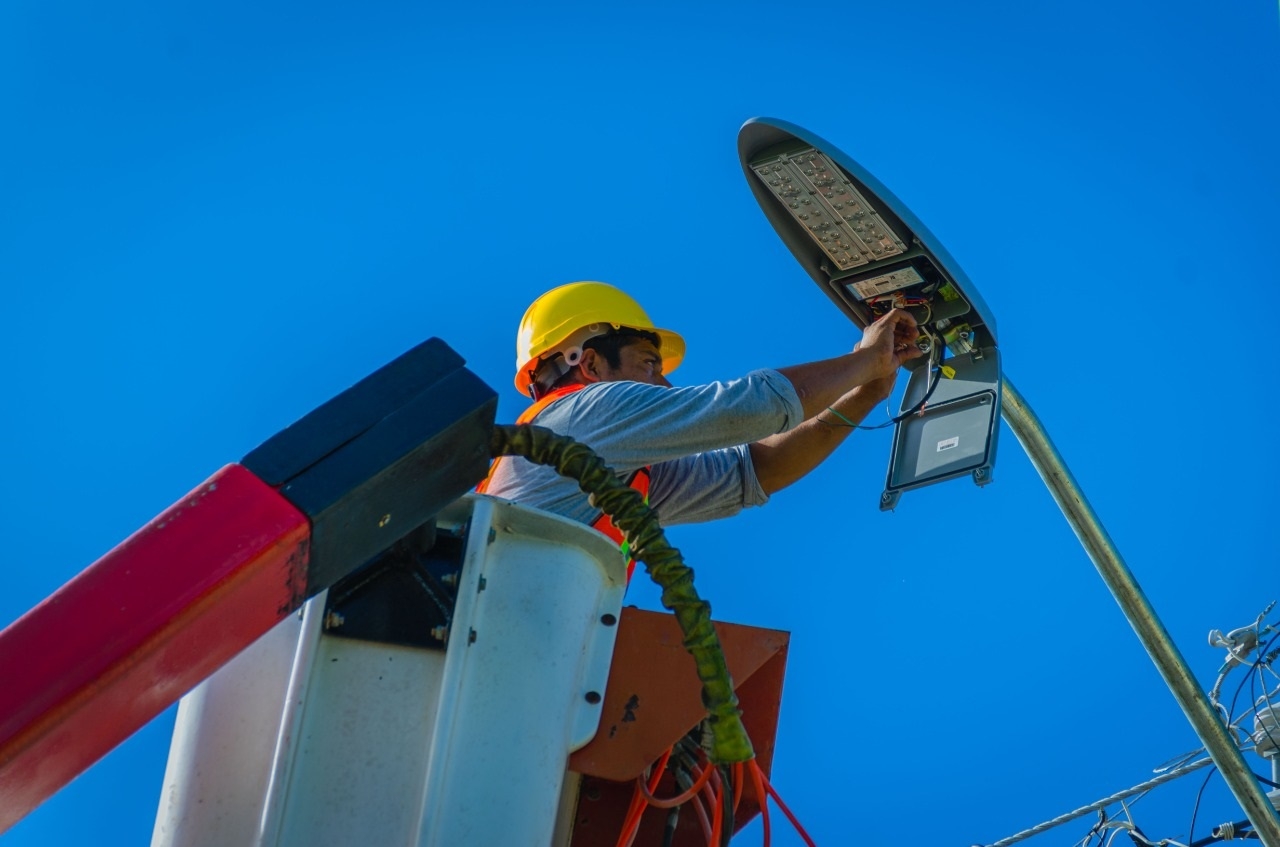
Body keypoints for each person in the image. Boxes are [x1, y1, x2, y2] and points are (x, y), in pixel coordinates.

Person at [482, 281, 922, 578]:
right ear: (591, 364)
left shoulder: (607, 469)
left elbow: (759, 468)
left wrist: (864, 391)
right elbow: (755, 407)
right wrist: (866, 362)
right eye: (649, 364)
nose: (664, 383)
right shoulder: (588, 412)